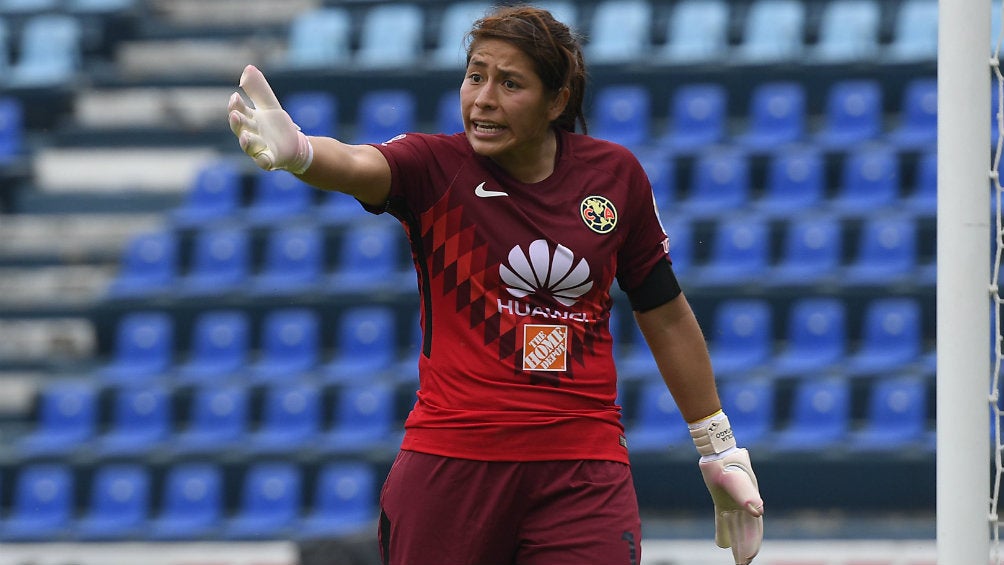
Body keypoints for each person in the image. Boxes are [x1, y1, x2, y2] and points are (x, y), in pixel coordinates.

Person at [228, 5, 763, 564]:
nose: (483, 98)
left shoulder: (615, 177)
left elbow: (665, 312)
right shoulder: (434, 166)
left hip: (582, 472)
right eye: (475, 75)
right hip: (450, 468)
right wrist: (304, 154)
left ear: (557, 100)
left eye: (510, 83)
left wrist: (718, 448)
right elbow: (359, 164)